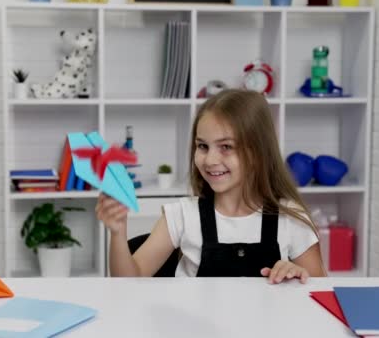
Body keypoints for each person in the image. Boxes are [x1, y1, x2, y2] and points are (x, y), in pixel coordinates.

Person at [96, 89, 326, 283]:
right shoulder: (182, 215)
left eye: (226, 147)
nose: (210, 160)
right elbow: (127, 282)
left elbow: (320, 294)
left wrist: (298, 277)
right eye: (203, 146)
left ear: (257, 153)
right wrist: (117, 232)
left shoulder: (291, 218)